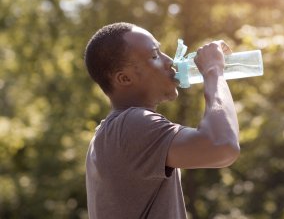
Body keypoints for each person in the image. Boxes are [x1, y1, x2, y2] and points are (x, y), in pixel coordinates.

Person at [84, 22, 240, 219]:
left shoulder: (109, 133)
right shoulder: (132, 125)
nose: (169, 61)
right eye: (154, 56)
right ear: (124, 79)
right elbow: (222, 146)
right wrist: (213, 71)